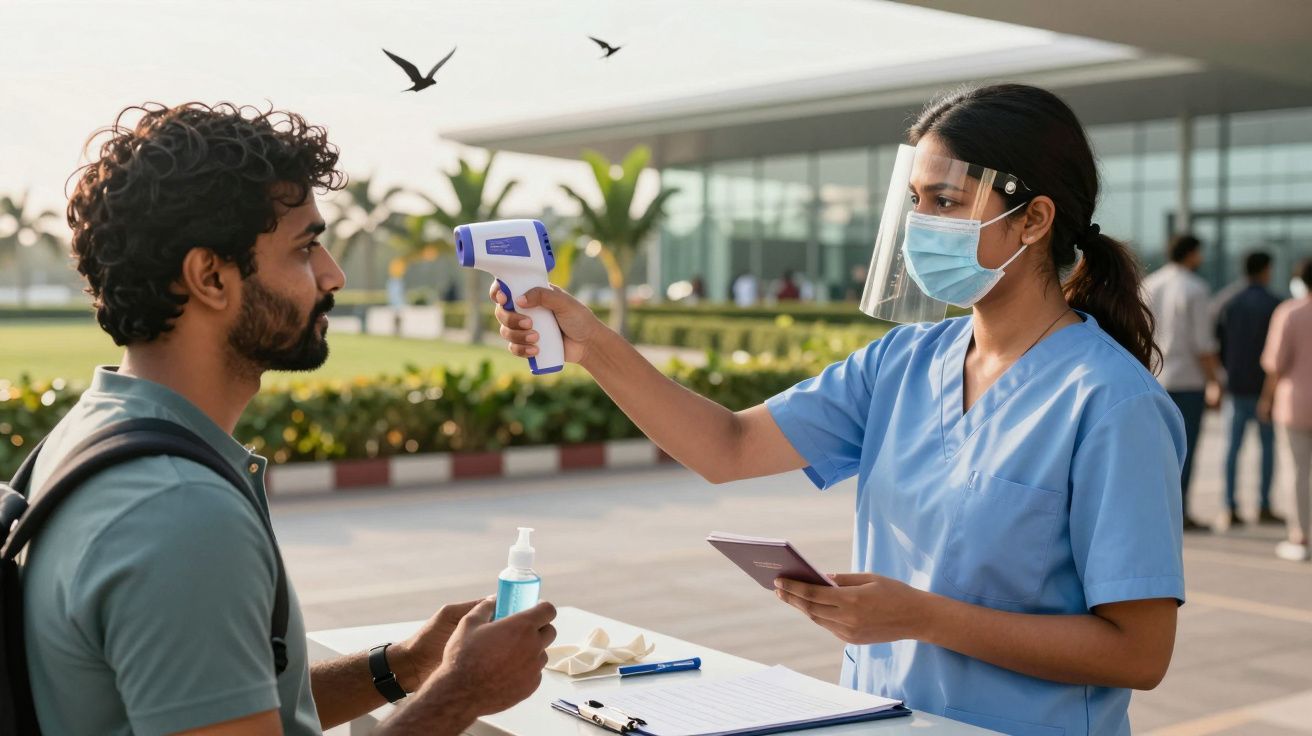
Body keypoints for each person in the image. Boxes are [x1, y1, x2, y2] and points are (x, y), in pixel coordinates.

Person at [492, 84, 1183, 736]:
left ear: (1033, 218)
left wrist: (923, 618)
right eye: (915, 202)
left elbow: (1139, 653)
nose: (921, 226)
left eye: (946, 201)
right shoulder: (902, 362)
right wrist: (593, 346)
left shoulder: (1112, 404)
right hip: (880, 719)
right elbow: (728, 446)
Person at [23, 102, 556, 736]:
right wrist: (461, 693)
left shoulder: (88, 436)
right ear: (210, 277)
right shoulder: (179, 512)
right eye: (305, 248)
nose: (333, 274)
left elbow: (225, 706)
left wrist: (408, 664)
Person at [1144, 234, 1222, 531]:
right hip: (1188, 380)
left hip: (1154, 377)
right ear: (1191, 254)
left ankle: (1155, 513)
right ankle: (1179, 513)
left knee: (1155, 451)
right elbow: (1203, 344)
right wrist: (1215, 381)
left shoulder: (1148, 284)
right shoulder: (1196, 288)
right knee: (1184, 451)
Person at [1216, 251, 1283, 527]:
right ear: (1266, 269)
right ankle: (1264, 505)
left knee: (1232, 449)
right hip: (1265, 388)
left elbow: (1217, 343)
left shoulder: (1228, 302)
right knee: (1267, 449)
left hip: (1235, 385)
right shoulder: (1275, 303)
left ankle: (1229, 506)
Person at [1261, 259, 1312, 562]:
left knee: (1296, 472)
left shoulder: (1289, 312)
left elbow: (1275, 364)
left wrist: (1266, 399)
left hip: (1295, 402)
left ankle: (1300, 535)